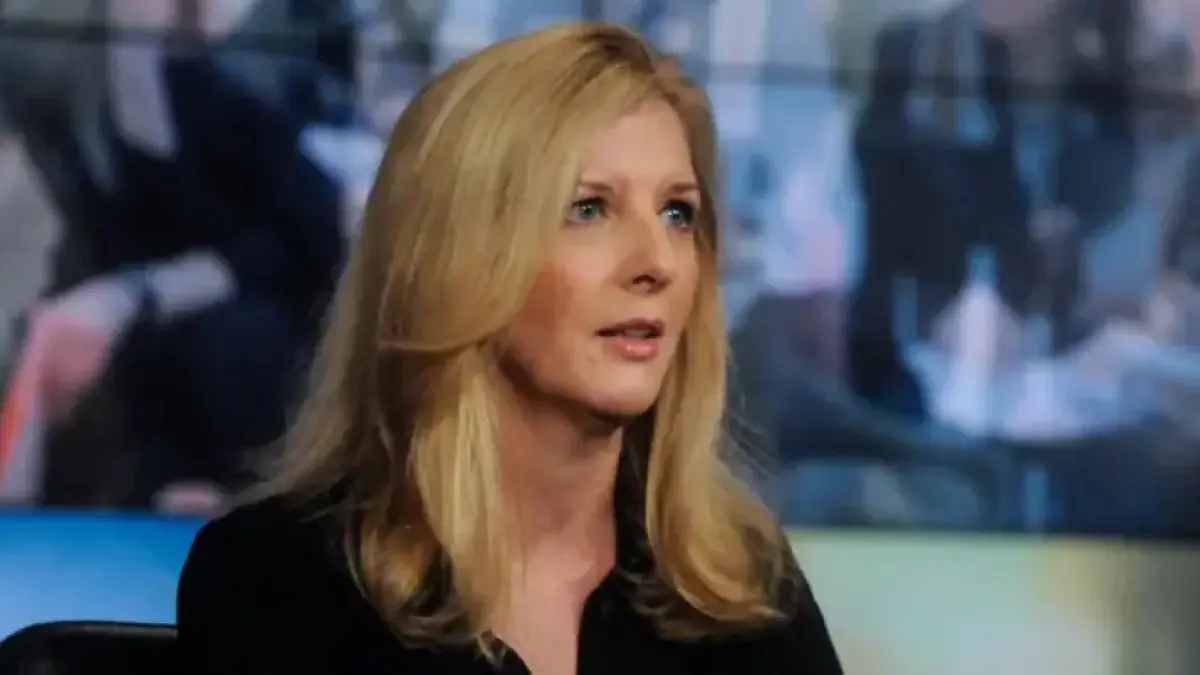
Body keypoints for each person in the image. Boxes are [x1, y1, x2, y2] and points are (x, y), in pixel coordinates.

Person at [175, 22, 842, 675]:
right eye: (589, 209)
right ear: (457, 256)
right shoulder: (279, 580)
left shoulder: (745, 591)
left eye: (677, 213)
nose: (657, 263)